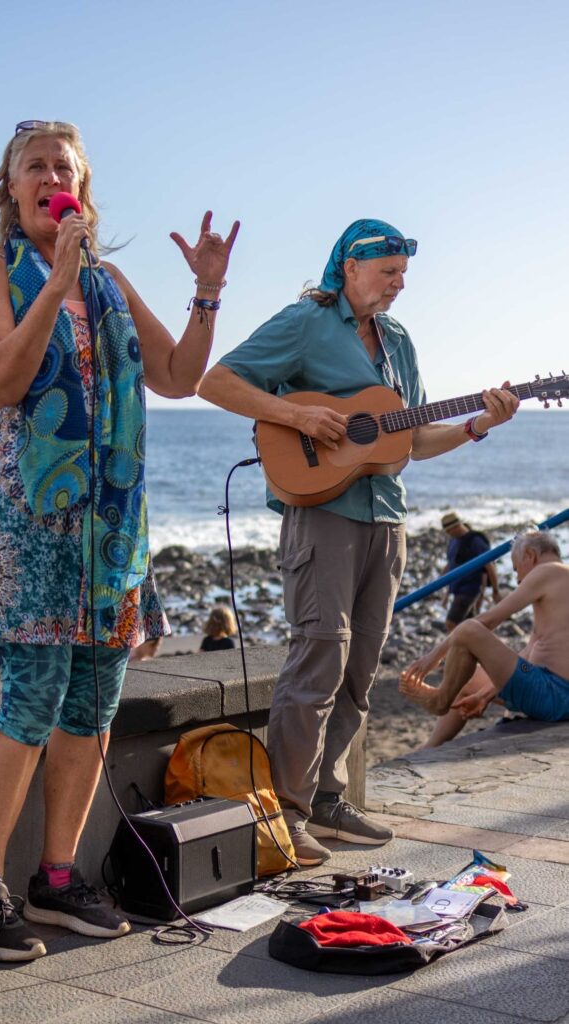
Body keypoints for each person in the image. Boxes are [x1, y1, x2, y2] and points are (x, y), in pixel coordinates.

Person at [0, 119, 238, 960]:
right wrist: (53, 285)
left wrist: (207, 293)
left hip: (108, 532)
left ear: (82, 186)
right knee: (30, 702)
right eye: (34, 166)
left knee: (90, 708)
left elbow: (179, 378)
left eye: (63, 166)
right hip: (28, 527)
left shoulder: (109, 280)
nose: (49, 176)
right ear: (11, 188)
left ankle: (60, 878)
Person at [198, 219, 519, 866]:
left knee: (358, 675)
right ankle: (283, 815)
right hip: (322, 515)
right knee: (317, 660)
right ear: (349, 266)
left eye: (403, 273)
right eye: (388, 272)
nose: (399, 285)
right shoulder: (306, 322)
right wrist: (296, 414)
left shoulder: (398, 340)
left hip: (386, 518)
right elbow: (217, 382)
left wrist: (478, 424)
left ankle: (326, 801)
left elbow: (409, 437)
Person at [400, 531, 569, 727]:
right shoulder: (560, 581)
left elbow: (487, 620)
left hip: (553, 692)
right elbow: (529, 652)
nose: (517, 580)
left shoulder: (548, 572)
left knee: (469, 629)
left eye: (515, 569)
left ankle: (439, 700)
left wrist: (433, 657)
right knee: (466, 676)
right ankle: (429, 746)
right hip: (554, 692)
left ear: (530, 555)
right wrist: (484, 695)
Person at [441, 511, 500, 631]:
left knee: (451, 623)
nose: (448, 534)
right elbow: (451, 566)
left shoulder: (475, 540)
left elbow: (489, 565)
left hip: (470, 588)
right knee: (471, 624)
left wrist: (495, 590)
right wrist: (446, 594)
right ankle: (476, 648)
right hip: (457, 587)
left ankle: (458, 649)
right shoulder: (453, 541)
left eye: (448, 531)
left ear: (456, 527)